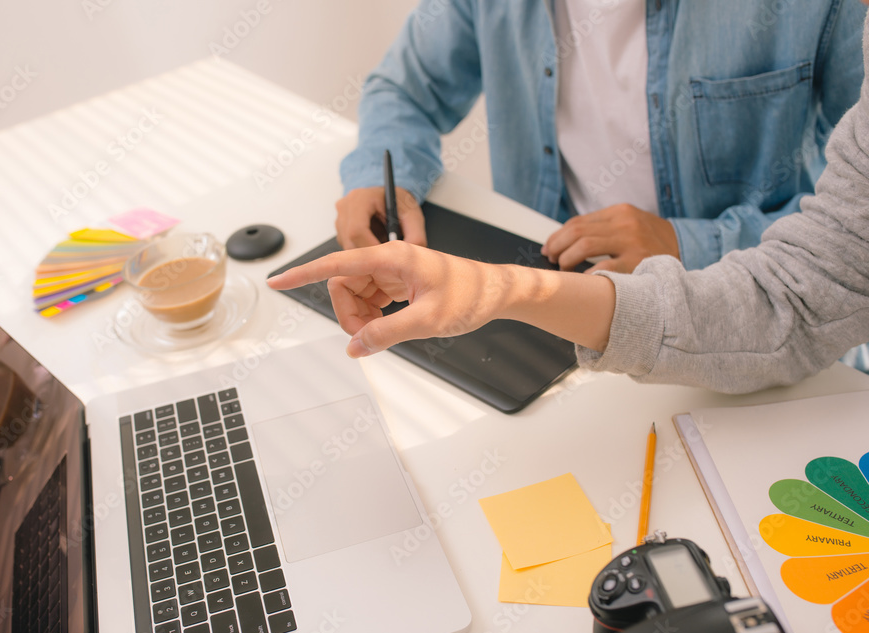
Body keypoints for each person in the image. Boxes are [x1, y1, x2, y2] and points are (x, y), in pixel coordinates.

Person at [267, 14, 869, 396]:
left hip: (732, 324)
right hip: (554, 298)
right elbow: (404, 88)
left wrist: (689, 242)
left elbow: (832, 254)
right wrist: (380, 172)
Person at [335, 0, 866, 278]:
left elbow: (855, 225)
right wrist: (389, 180)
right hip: (553, 286)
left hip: (738, 306)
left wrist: (688, 245)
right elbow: (404, 90)